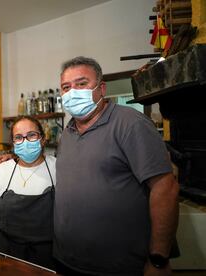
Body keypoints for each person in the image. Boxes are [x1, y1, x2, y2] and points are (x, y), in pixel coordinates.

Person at [53, 56, 179, 276]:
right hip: (68, 261)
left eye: (81, 84)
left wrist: (158, 258)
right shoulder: (67, 133)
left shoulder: (130, 123)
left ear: (101, 89)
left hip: (118, 267)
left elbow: (165, 189)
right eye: (66, 87)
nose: (73, 92)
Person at [0, 116, 56, 270]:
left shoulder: (59, 169)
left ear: (42, 139)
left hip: (49, 260)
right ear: (13, 144)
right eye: (18, 137)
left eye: (32, 135)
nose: (25, 141)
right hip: (7, 258)